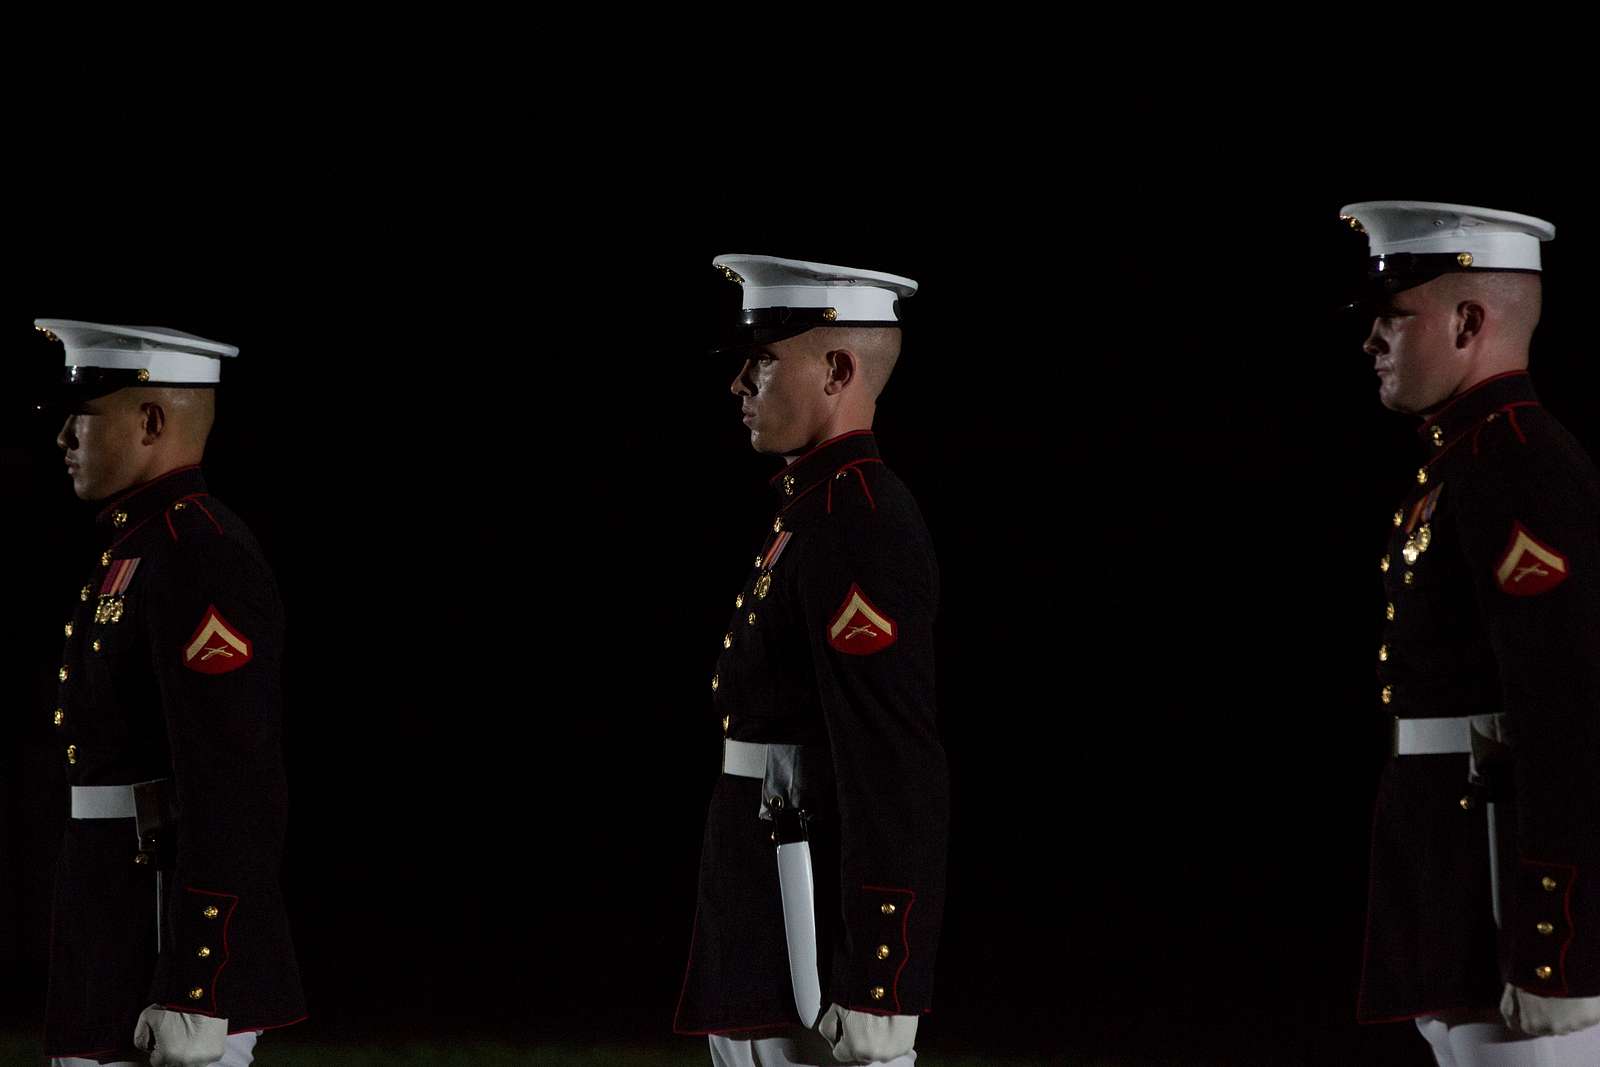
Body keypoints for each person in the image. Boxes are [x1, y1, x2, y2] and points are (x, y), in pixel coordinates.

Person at [673, 255, 949, 1067]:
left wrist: (879, 978)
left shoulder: (857, 520)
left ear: (836, 369)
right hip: (768, 906)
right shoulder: (814, 505)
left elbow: (893, 763)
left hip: (814, 934)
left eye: (763, 359)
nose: (740, 384)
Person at [1342, 203, 1600, 1066]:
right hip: (1453, 848)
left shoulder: (1519, 461)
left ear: (1467, 321)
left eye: (1393, 317)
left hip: (1503, 868)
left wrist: (1557, 937)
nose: (1373, 339)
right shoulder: (1462, 458)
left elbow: (1567, 711)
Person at [37, 320, 305, 1067]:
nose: (63, 436)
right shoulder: (139, 546)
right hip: (114, 923)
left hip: (162, 939)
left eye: (82, 415)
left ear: (152, 419)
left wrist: (200, 980)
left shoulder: (197, 554)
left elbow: (234, 780)